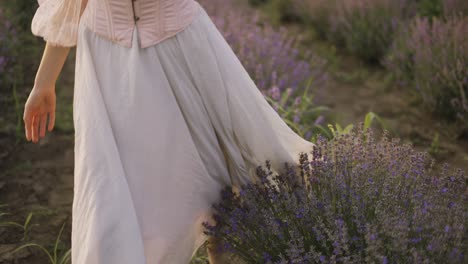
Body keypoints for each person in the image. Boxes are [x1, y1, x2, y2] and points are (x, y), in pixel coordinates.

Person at [22, 0, 315, 263]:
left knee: (216, 175)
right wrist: (43, 82)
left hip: (181, 46)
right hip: (107, 62)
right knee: (111, 189)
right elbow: (72, 4)